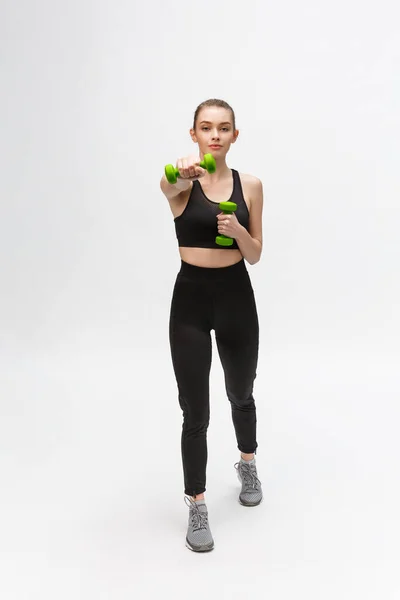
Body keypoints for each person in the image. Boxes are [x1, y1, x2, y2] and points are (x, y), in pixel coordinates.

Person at [160, 99, 264, 552]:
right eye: (206, 128)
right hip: (191, 300)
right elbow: (166, 187)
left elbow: (256, 252)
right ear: (194, 135)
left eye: (224, 128)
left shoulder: (252, 185)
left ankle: (247, 462)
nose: (215, 135)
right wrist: (178, 176)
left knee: (241, 390)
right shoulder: (183, 183)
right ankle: (197, 503)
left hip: (236, 295)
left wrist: (239, 232)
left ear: (235, 135)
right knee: (195, 410)